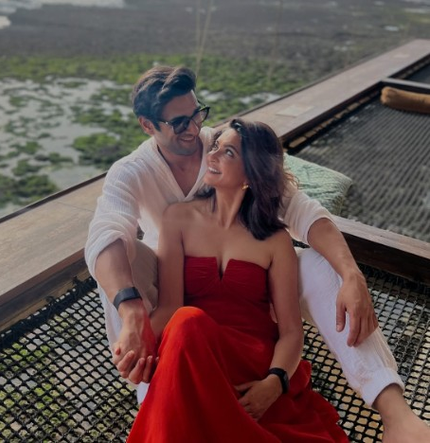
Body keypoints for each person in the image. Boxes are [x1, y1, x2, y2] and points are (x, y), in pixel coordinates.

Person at [85, 65, 430, 443]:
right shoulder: (135, 174)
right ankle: (147, 376)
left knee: (320, 264)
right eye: (179, 122)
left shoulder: (225, 149)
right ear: (148, 126)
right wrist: (131, 312)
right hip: (177, 291)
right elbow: (105, 232)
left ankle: (395, 413)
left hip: (250, 306)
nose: (195, 130)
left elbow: (306, 214)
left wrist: (352, 275)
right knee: (120, 256)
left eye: (198, 114)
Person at [126, 118, 349, 442]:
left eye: (227, 152)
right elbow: (170, 307)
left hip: (252, 363)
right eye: (215, 146)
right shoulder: (178, 218)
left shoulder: (275, 239)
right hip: (195, 352)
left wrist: (275, 382)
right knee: (187, 320)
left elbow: (290, 331)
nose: (212, 155)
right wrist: (137, 343)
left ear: (251, 174)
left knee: (188, 324)